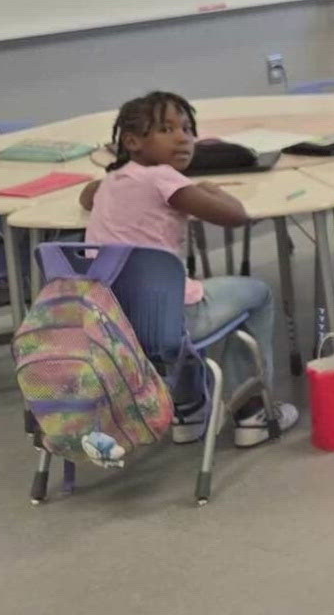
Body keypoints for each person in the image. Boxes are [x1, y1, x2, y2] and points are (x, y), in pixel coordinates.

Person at [79, 91, 298, 447]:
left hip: (118, 325)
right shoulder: (164, 178)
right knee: (257, 294)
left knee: (171, 300)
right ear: (132, 141)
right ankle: (252, 412)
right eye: (167, 129)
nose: (183, 137)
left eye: (186, 128)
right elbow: (235, 216)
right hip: (174, 320)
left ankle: (189, 410)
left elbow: (86, 196)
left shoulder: (112, 182)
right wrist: (210, 190)